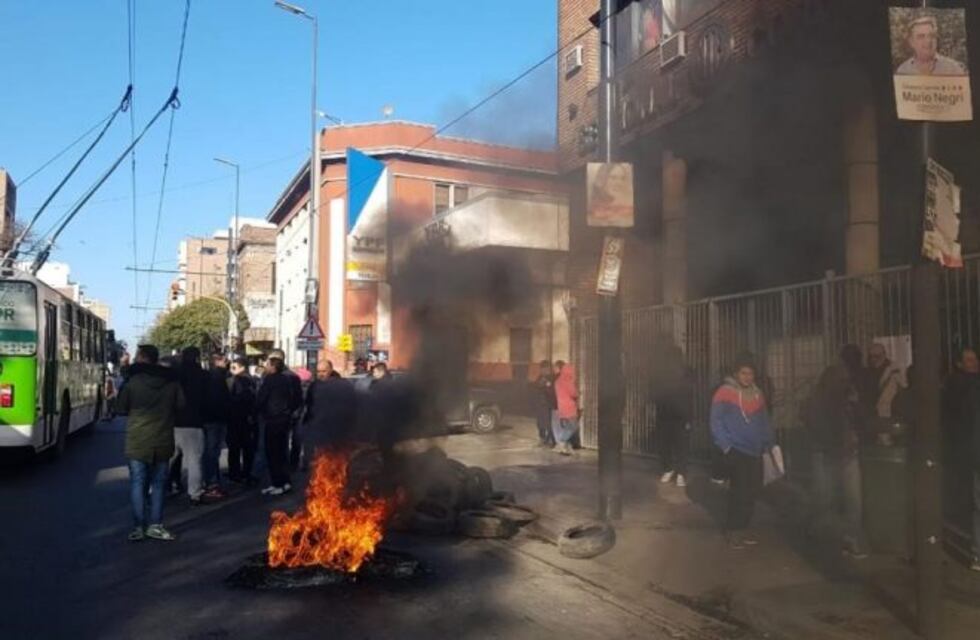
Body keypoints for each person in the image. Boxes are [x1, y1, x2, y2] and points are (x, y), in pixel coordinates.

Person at [116, 344, 185, 542]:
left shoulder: (132, 381)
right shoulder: (172, 382)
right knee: (159, 484)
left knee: (138, 483)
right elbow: (181, 405)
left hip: (137, 440)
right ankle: (156, 525)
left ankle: (139, 527)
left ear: (143, 358)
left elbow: (120, 408)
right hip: (163, 439)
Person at [807, 344, 869, 558]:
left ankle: (822, 538)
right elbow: (860, 419)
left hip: (827, 450)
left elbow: (811, 419)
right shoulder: (849, 394)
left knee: (826, 497)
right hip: (844, 450)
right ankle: (848, 540)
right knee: (851, 500)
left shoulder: (821, 395)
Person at [710, 359, 774, 549]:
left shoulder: (757, 394)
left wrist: (768, 441)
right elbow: (716, 421)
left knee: (751, 492)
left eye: (751, 373)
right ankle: (733, 532)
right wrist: (725, 445)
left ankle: (743, 529)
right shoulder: (724, 392)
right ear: (736, 374)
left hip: (755, 450)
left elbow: (764, 420)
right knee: (739, 492)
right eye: (744, 373)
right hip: (736, 450)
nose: (747, 377)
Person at [942, 347, 980, 571]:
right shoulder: (962, 386)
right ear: (959, 363)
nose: (974, 363)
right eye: (969, 360)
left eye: (975, 359)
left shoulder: (956, 385)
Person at [256, 355, 302, 495]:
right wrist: (289, 411)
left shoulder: (269, 380)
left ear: (273, 367)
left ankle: (278, 483)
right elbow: (296, 398)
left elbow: (261, 398)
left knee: (272, 452)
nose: (266, 367)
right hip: (285, 419)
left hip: (273, 419)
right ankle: (285, 482)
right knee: (282, 452)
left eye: (268, 364)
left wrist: (256, 412)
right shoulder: (288, 379)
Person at [652, 341, 693, 488]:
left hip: (680, 415)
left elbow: (689, 395)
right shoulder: (660, 373)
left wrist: (688, 417)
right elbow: (655, 393)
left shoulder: (687, 372)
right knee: (667, 445)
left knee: (680, 445)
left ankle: (680, 472)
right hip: (665, 414)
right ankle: (669, 469)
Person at [173, 346, 209, 506]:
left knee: (167, 460)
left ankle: (154, 489)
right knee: (194, 461)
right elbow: (209, 401)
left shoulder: (175, 376)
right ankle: (195, 493)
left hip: (174, 423)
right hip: (195, 423)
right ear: (197, 357)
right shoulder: (204, 376)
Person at [303, 359, 357, 456]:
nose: (321, 374)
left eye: (324, 371)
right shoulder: (315, 385)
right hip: (318, 425)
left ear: (331, 370)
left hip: (336, 427)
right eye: (318, 371)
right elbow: (309, 404)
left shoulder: (341, 385)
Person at [202, 353, 232, 497]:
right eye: (224, 360)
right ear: (217, 362)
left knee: (212, 452)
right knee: (212, 452)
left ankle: (211, 481)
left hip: (212, 419)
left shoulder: (214, 376)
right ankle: (212, 483)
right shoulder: (217, 377)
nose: (227, 362)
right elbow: (219, 400)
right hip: (215, 419)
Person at [896, 16, 967, 76]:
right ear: (911, 42)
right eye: (921, 36)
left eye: (931, 36)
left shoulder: (953, 69)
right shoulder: (903, 71)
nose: (928, 41)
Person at [227, 356, 258, 485]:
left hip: (235, 418)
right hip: (248, 419)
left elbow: (229, 398)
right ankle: (246, 472)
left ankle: (234, 473)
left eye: (234, 367)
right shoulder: (253, 381)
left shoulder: (233, 381)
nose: (232, 370)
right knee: (247, 448)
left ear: (242, 367)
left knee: (234, 448)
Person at [862, 343, 907, 420]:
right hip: (873, 414)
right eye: (871, 356)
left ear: (884, 355)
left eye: (877, 356)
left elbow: (904, 388)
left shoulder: (895, 370)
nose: (873, 359)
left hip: (891, 413)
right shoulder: (867, 373)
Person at [552, 361, 579, 456]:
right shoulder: (568, 381)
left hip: (561, 407)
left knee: (566, 426)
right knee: (573, 426)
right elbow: (574, 393)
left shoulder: (558, 381)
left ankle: (565, 446)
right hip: (570, 407)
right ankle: (561, 442)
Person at [532, 360, 557, 448]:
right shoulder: (540, 377)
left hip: (548, 404)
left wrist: (546, 385)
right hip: (540, 404)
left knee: (548, 423)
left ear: (549, 369)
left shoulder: (552, 378)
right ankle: (542, 439)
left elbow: (552, 391)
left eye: (546, 369)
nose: (544, 371)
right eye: (542, 369)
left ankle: (552, 441)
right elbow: (535, 386)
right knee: (540, 423)